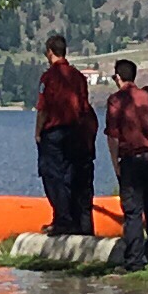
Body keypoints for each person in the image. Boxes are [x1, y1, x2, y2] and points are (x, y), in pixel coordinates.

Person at [33, 33, 98, 241]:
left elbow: (43, 108)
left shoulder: (49, 78)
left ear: (49, 52)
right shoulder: (78, 77)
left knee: (53, 176)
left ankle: (62, 219)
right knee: (73, 175)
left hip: (55, 132)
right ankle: (77, 221)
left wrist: (38, 132)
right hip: (76, 132)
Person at [101, 56, 148, 271]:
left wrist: (115, 163)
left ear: (118, 77)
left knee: (133, 210)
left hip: (131, 158)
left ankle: (135, 259)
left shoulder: (117, 100)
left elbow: (113, 135)